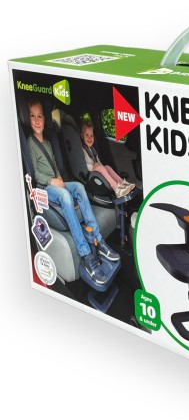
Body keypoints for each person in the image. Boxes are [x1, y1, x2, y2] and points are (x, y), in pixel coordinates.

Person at [27, 99, 120, 285]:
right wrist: (52, 181)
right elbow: (35, 173)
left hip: (56, 182)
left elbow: (54, 165)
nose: (37, 120)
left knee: (78, 187)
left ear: (45, 119)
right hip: (44, 187)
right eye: (32, 116)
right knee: (65, 196)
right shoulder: (30, 143)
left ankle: (98, 240)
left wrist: (59, 177)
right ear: (27, 119)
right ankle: (85, 253)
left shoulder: (48, 143)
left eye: (40, 116)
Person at [79, 118, 135, 198]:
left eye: (91, 135)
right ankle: (117, 189)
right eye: (86, 135)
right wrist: (93, 167)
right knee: (101, 167)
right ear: (81, 135)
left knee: (107, 167)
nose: (90, 138)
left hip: (96, 169)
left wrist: (102, 167)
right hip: (90, 174)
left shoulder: (92, 149)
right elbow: (83, 164)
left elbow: (98, 161)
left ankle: (123, 184)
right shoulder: (82, 150)